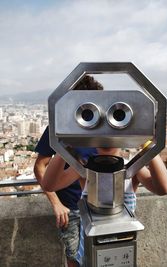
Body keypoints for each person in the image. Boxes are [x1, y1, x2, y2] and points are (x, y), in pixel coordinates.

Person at [41, 147, 167, 265]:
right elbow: (49, 185)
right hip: (89, 251)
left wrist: (149, 146)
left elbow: (163, 188)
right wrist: (66, 146)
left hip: (121, 253)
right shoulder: (85, 169)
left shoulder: (132, 168)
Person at [34, 75, 103, 267]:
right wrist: (56, 204)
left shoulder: (105, 128)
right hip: (71, 207)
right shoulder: (60, 127)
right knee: (74, 259)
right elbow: (40, 166)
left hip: (98, 205)